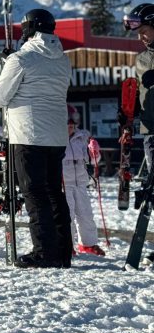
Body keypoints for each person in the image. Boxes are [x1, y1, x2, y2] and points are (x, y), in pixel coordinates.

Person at [0, 8, 72, 269]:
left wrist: (7, 66)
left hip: (27, 134)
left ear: (29, 29)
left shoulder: (21, 58)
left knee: (34, 193)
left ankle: (44, 251)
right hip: (56, 134)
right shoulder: (62, 59)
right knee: (54, 193)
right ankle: (62, 252)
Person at [122, 3, 154, 262]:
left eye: (144, 31)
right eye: (138, 32)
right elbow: (141, 94)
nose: (140, 37)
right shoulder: (141, 59)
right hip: (150, 129)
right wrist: (127, 113)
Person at [62, 104, 104, 256]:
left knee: (85, 214)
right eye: (68, 125)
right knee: (68, 215)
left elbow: (94, 161)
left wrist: (95, 152)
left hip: (80, 181)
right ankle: (67, 245)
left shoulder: (83, 137)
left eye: (73, 125)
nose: (70, 128)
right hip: (65, 183)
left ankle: (87, 244)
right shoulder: (56, 139)